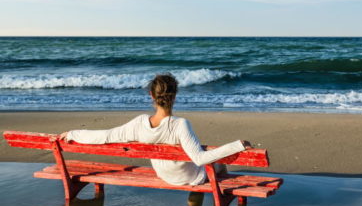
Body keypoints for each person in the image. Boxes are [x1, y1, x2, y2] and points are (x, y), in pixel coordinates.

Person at [59, 73, 251, 186]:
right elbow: (199, 159)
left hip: (164, 175)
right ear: (175, 96)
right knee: (217, 165)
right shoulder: (180, 124)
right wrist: (238, 145)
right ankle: (202, 204)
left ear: (151, 95)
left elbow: (105, 136)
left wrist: (72, 134)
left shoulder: (139, 123)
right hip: (188, 177)